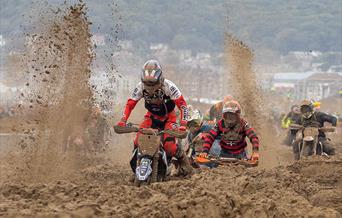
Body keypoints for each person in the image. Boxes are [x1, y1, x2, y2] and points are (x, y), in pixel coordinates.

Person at [116, 59, 192, 175]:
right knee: (138, 141)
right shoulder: (140, 87)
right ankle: (137, 166)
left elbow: (183, 106)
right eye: (147, 84)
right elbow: (130, 104)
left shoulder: (169, 87)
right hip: (151, 117)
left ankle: (182, 158)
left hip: (169, 117)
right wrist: (123, 120)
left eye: (153, 84)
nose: (150, 88)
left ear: (160, 80)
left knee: (170, 147)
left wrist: (183, 125)